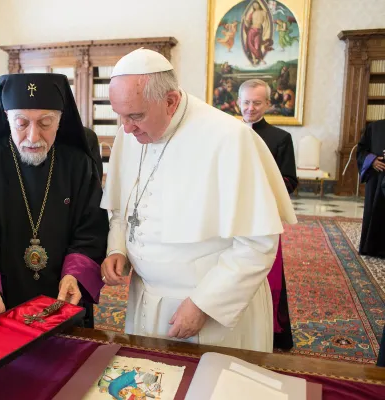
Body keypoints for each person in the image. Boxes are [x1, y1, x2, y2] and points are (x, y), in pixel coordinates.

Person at [100, 49, 296, 353]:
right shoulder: (130, 132)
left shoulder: (229, 138)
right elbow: (122, 206)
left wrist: (206, 303)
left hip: (208, 308)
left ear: (170, 101)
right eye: (120, 115)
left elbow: (258, 243)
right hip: (146, 298)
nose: (125, 128)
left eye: (135, 116)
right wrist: (118, 247)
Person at [0, 73, 109, 328]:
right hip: (1, 303)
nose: (33, 136)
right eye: (21, 123)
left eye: (45, 123)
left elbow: (91, 230)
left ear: (60, 121)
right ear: (6, 117)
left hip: (63, 299)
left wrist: (75, 274)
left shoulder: (78, 165)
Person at [238, 78, 298, 350]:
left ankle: (270, 330)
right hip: (230, 216)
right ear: (238, 102)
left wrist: (257, 189)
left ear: (268, 104)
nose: (251, 108)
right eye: (246, 102)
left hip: (263, 217)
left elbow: (290, 181)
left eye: (257, 102)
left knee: (265, 273)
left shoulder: (280, 138)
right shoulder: (226, 133)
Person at [356, 119, 385, 258]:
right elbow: (361, 150)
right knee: (374, 211)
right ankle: (371, 248)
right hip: (376, 177)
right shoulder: (374, 127)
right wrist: (372, 161)